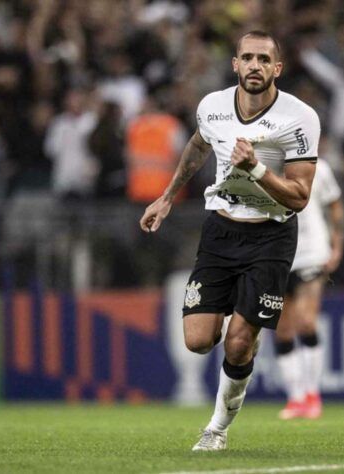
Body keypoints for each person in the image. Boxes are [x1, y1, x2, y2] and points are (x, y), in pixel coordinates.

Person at [139, 30, 320, 451]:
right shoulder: (212, 106)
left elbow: (300, 196)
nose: (254, 66)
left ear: (277, 68)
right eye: (247, 58)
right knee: (198, 340)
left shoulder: (299, 117)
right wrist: (166, 198)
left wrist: (256, 168)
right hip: (220, 230)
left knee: (238, 342)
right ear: (234, 64)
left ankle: (216, 428)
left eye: (263, 59)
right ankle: (241, 338)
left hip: (271, 236)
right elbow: (199, 145)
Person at [274, 158, 344, 420]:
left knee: (305, 321)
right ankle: (295, 397)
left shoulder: (319, 167)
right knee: (282, 330)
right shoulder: (263, 165)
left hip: (312, 253)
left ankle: (312, 395)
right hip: (279, 256)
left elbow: (334, 204)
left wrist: (337, 244)